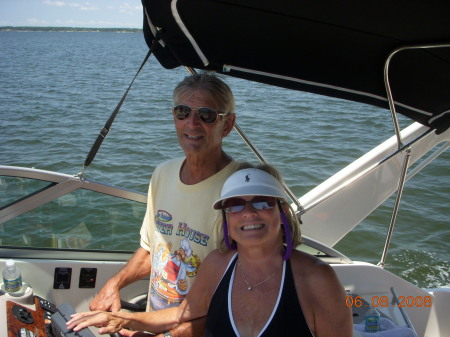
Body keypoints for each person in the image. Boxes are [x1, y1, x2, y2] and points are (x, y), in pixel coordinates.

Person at [68, 164, 353, 337]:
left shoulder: (317, 280)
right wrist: (120, 320)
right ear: (226, 217)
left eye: (263, 202)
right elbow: (180, 315)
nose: (249, 213)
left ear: (281, 212)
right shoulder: (218, 264)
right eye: (236, 204)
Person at [88, 72, 239, 336]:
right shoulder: (162, 174)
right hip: (152, 324)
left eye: (206, 115)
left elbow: (237, 296)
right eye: (183, 112)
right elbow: (152, 251)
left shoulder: (239, 192)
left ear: (227, 125)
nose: (192, 123)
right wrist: (115, 283)